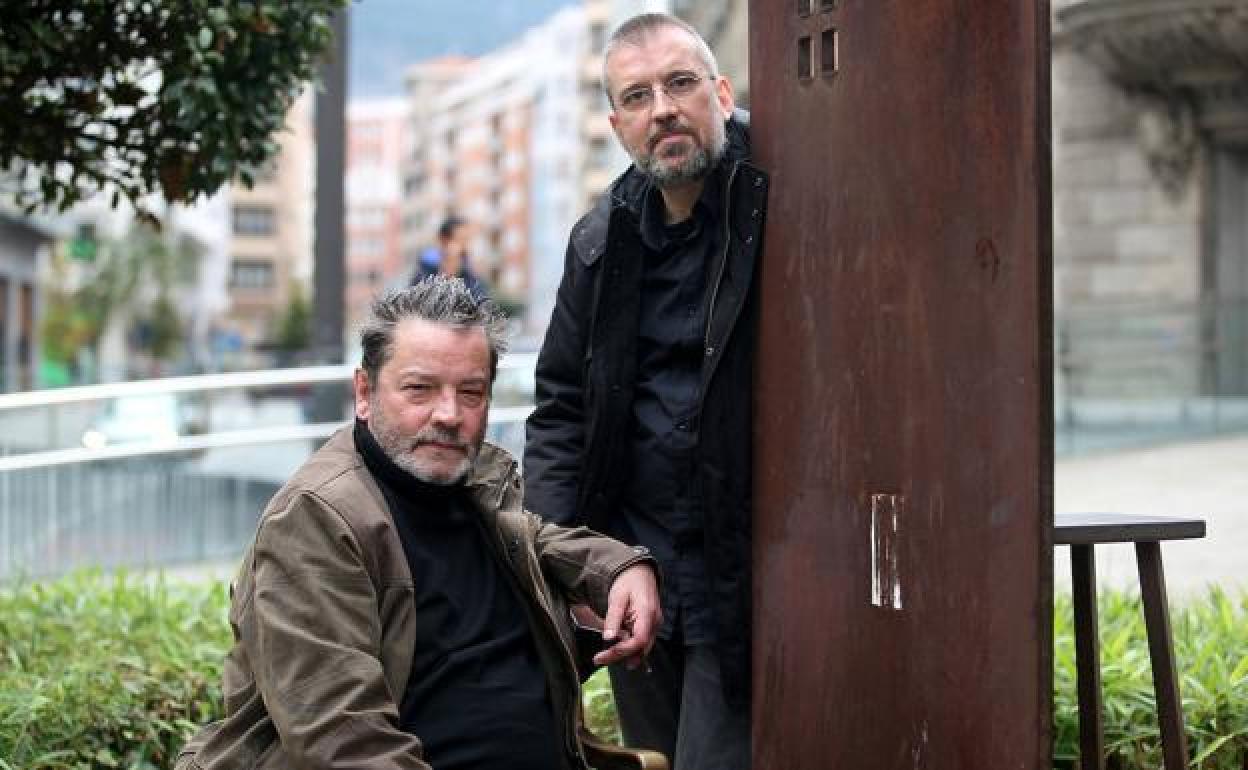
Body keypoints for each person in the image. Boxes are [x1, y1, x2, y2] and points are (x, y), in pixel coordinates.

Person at [176, 276, 662, 770]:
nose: (449, 415)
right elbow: (345, 744)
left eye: (471, 392)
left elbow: (535, 538)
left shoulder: (468, 491)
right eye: (420, 389)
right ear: (364, 393)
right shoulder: (314, 519)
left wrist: (620, 567)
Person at [523, 12, 767, 770]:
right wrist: (571, 562)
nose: (661, 107)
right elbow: (560, 408)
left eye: (681, 83)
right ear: (617, 124)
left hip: (751, 581)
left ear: (722, 94)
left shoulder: (783, 204)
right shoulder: (601, 240)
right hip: (641, 583)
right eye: (637, 96)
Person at [413, 215, 488, 298]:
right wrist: (446, 272)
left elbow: (480, 299)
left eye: (468, 240)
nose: (465, 246)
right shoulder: (426, 267)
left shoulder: (468, 269)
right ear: (443, 240)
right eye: (461, 240)